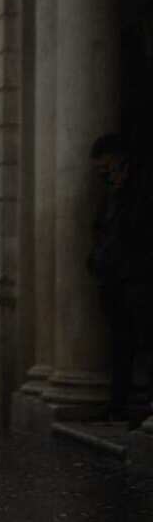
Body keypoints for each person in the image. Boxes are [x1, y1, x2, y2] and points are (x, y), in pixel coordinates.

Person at [88, 133, 152, 429]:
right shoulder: (113, 192)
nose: (103, 175)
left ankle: (143, 405)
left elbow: (136, 229)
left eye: (106, 168)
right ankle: (118, 404)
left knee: (144, 340)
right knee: (121, 344)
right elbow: (105, 230)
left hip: (137, 278)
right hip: (116, 279)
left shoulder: (139, 188)